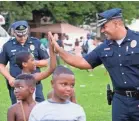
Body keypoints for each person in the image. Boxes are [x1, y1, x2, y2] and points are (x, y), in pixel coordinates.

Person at [49, 8, 139, 121]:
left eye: (104, 26)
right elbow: (82, 62)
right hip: (120, 101)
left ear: (117, 23)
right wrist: (59, 51)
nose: (102, 31)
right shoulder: (105, 47)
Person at [0, 20, 49, 104]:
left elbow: (46, 61)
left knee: (39, 107)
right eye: (19, 36)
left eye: (24, 35)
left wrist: (32, 63)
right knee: (19, 110)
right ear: (14, 33)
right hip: (16, 83)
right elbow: (1, 64)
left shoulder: (36, 42)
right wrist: (9, 78)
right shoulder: (7, 45)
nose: (22, 38)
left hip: (34, 83)